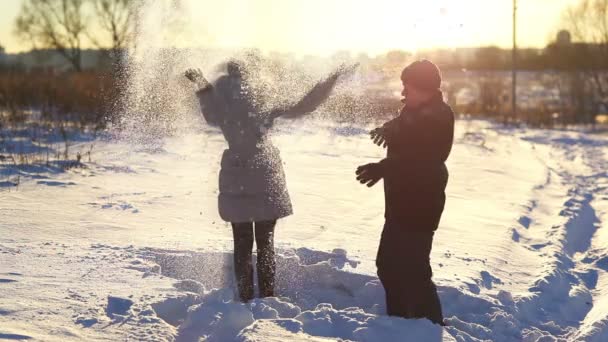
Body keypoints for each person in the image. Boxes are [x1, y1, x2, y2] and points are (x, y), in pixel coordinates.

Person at [185, 60, 356, 302]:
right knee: (266, 241)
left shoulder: (221, 105)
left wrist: (200, 81)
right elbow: (303, 106)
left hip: (237, 175)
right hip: (265, 173)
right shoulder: (262, 103)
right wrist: (330, 79)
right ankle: (267, 296)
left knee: (242, 242)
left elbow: (208, 103)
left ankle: (245, 297)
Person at [355, 59, 454, 325]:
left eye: (408, 87)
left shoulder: (437, 116)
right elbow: (405, 126)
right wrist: (388, 129)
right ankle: (399, 322)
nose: (403, 93)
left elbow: (421, 156)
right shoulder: (417, 111)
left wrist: (383, 167)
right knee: (388, 265)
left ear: (425, 89)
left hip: (420, 204)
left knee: (414, 271)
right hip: (401, 204)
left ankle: (429, 327)